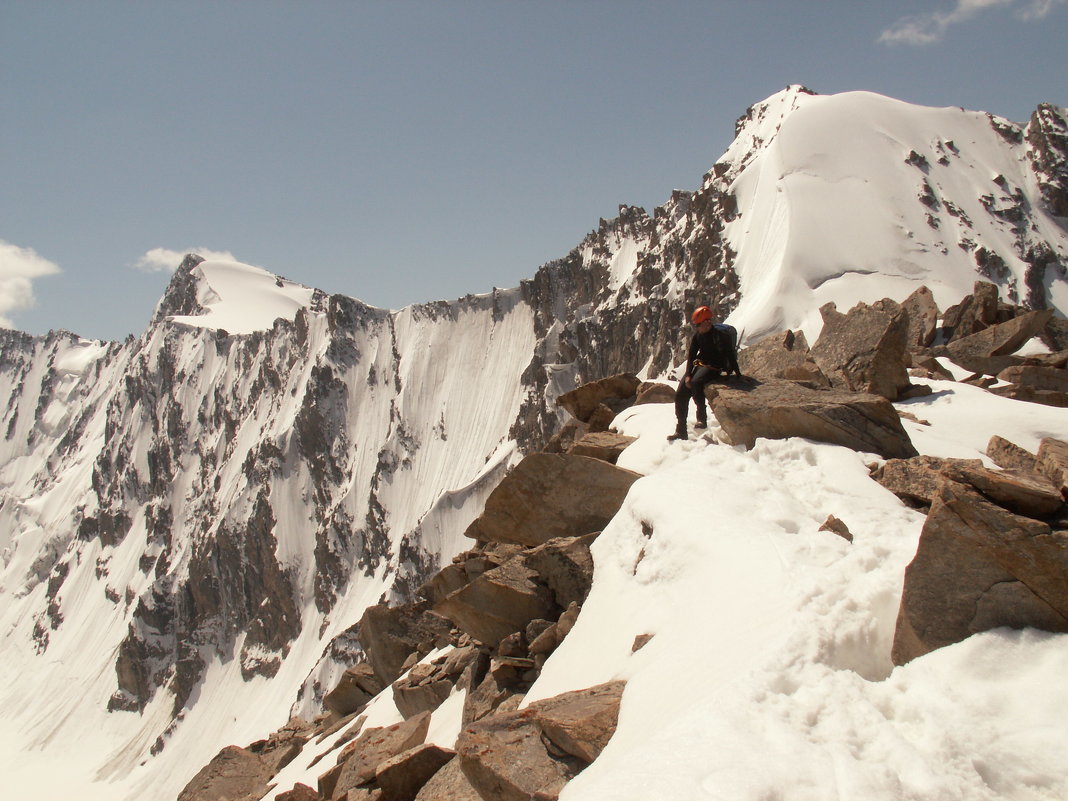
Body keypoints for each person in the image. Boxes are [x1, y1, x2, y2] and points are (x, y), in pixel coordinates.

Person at [668, 306, 742, 441]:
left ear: (707, 322)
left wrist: (737, 374)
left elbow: (731, 356)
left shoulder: (721, 336)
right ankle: (681, 431)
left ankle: (701, 418)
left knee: (697, 383)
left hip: (715, 367)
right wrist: (688, 375)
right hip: (701, 364)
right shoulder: (698, 336)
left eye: (698, 324)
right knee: (680, 394)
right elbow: (691, 356)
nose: (697, 327)